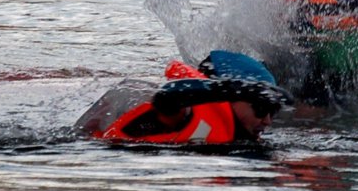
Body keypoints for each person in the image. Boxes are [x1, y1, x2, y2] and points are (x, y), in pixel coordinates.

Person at [79, 50, 293, 144]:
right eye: (260, 108)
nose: (267, 120)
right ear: (229, 97)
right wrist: (236, 88)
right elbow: (167, 98)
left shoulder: (228, 131)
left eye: (272, 111)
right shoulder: (187, 112)